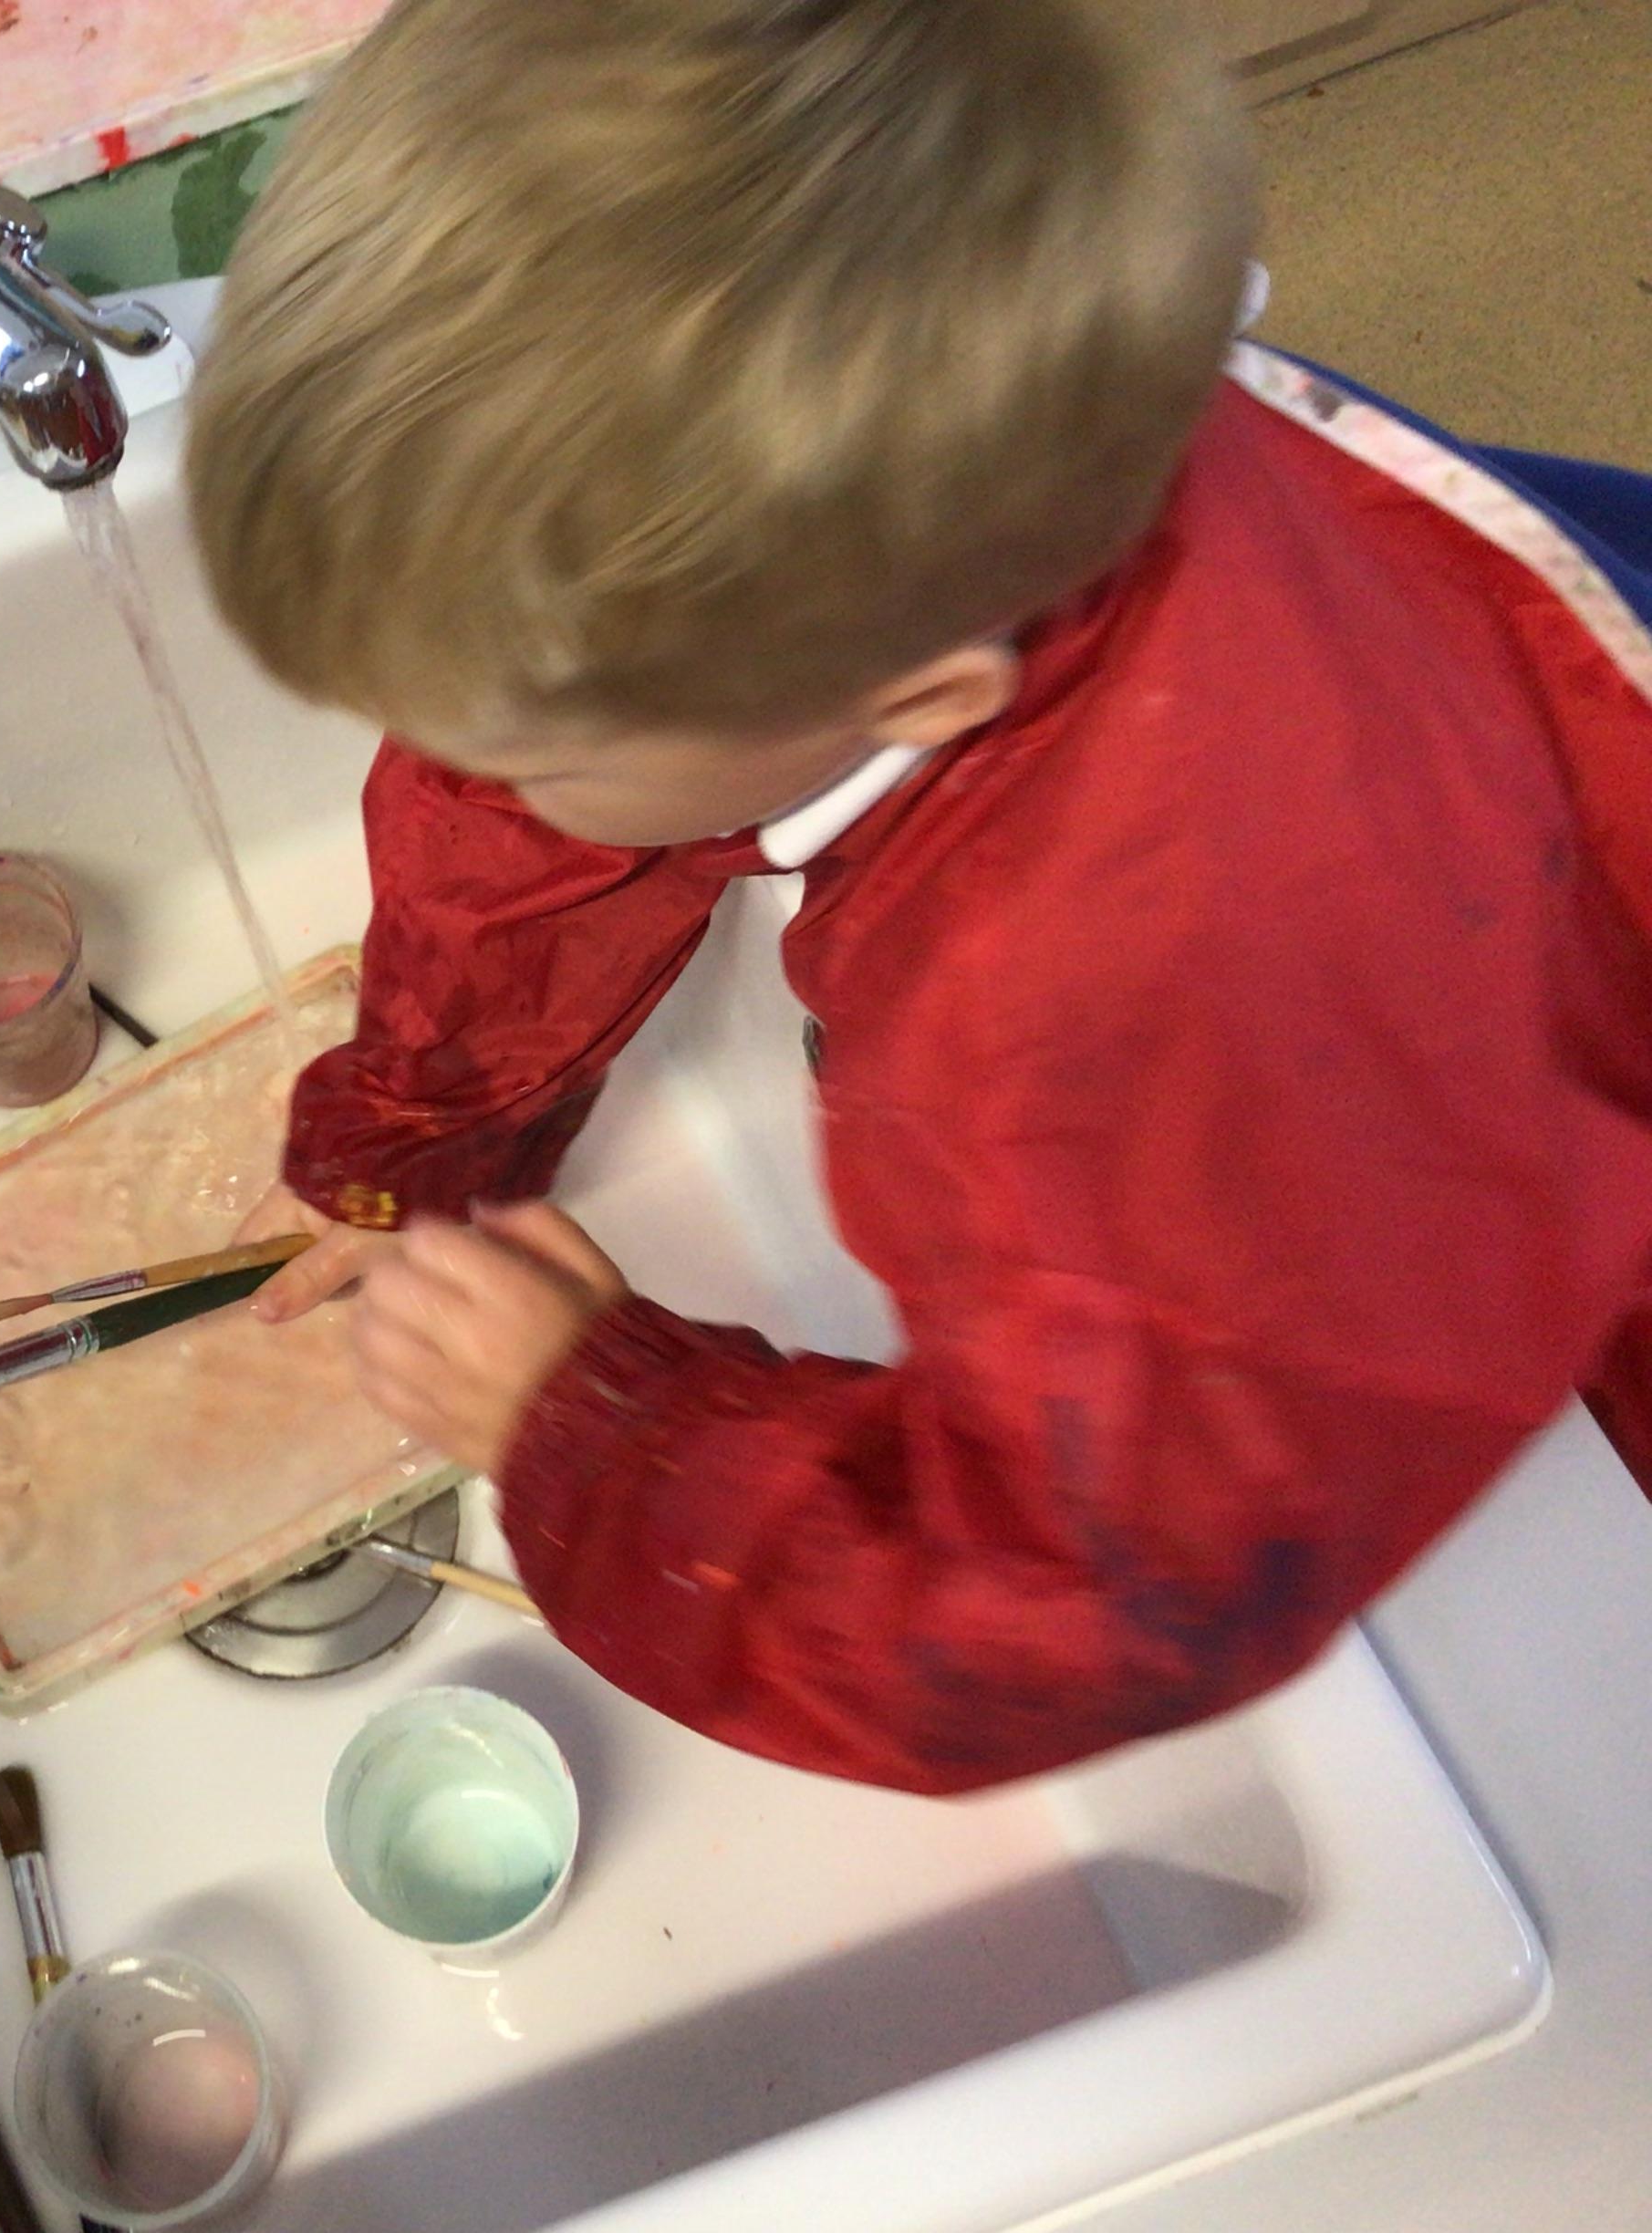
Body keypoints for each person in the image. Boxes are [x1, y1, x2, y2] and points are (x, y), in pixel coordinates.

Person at [184, 0, 1652, 1793]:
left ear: (928, 704)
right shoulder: (925, 493)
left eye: (530, 752)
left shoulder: (1158, 1038)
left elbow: (1082, 1598)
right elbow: (535, 817)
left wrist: (597, 1433)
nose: (468, 771)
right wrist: (415, 1140)